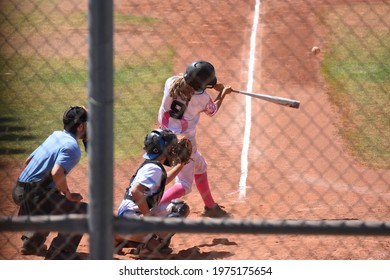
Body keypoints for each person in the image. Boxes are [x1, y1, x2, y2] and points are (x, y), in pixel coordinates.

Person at [157, 60, 232, 218]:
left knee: (200, 166)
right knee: (184, 184)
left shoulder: (170, 82)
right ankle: (151, 207)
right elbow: (213, 110)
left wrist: (212, 84)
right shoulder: (202, 98)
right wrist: (222, 92)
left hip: (163, 137)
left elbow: (185, 81)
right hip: (184, 144)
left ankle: (211, 207)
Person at [12, 106, 88, 260]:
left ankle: (32, 244)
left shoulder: (56, 135)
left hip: (19, 190)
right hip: (34, 197)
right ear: (80, 126)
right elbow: (56, 172)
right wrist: (68, 194)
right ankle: (59, 255)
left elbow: (28, 161)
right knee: (81, 211)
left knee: (52, 196)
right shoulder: (72, 147)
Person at [116, 128, 190, 258]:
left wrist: (181, 165)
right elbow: (136, 191)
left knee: (179, 208)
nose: (174, 150)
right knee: (175, 216)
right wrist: (148, 215)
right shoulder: (154, 168)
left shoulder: (152, 165)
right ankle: (146, 248)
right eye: (171, 147)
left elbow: (163, 180)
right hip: (131, 218)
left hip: (129, 216)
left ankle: (125, 240)